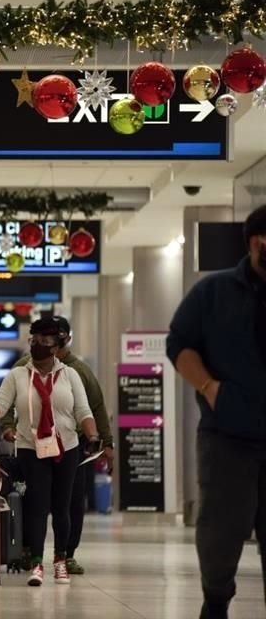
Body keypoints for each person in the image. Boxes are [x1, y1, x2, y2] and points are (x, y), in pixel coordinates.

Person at [166, 205, 266, 619]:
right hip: (228, 435)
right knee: (220, 533)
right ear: (256, 242)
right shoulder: (214, 292)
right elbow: (179, 344)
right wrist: (209, 387)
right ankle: (216, 600)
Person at [0, 317, 99, 587]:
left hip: (66, 447)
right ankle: (36, 562)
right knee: (37, 505)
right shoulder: (18, 375)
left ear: (57, 346)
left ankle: (60, 560)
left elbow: (83, 410)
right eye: (33, 340)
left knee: (62, 507)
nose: (37, 345)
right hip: (30, 447)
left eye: (44, 341)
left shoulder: (70, 375)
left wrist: (93, 436)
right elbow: (2, 405)